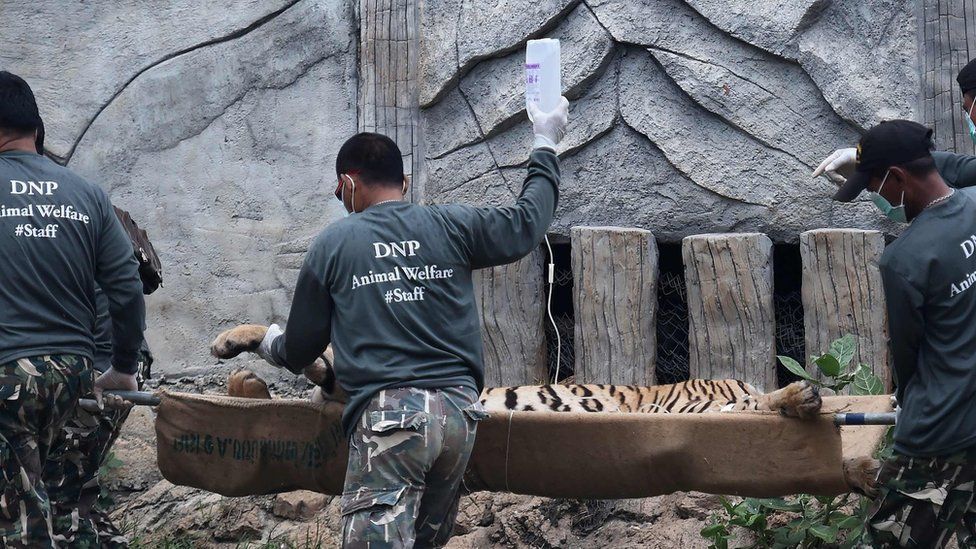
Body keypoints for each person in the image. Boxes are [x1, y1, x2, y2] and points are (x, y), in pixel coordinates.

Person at [224, 97, 568, 548]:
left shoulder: (334, 244)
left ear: (349, 182)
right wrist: (545, 141)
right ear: (404, 182)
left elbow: (301, 350)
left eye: (337, 187)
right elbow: (527, 224)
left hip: (392, 420)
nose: (336, 196)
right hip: (459, 419)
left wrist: (269, 341)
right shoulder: (453, 224)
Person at [0, 71, 146, 548]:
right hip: (73, 376)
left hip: (7, 378)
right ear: (37, 131)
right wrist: (123, 367)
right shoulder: (87, 195)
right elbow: (126, 287)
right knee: (40, 499)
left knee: (18, 524)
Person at [830, 120, 976, 547]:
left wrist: (907, 404)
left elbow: (907, 358)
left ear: (896, 178)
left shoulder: (904, 259)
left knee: (889, 537)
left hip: (939, 431)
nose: (876, 198)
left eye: (874, 186)